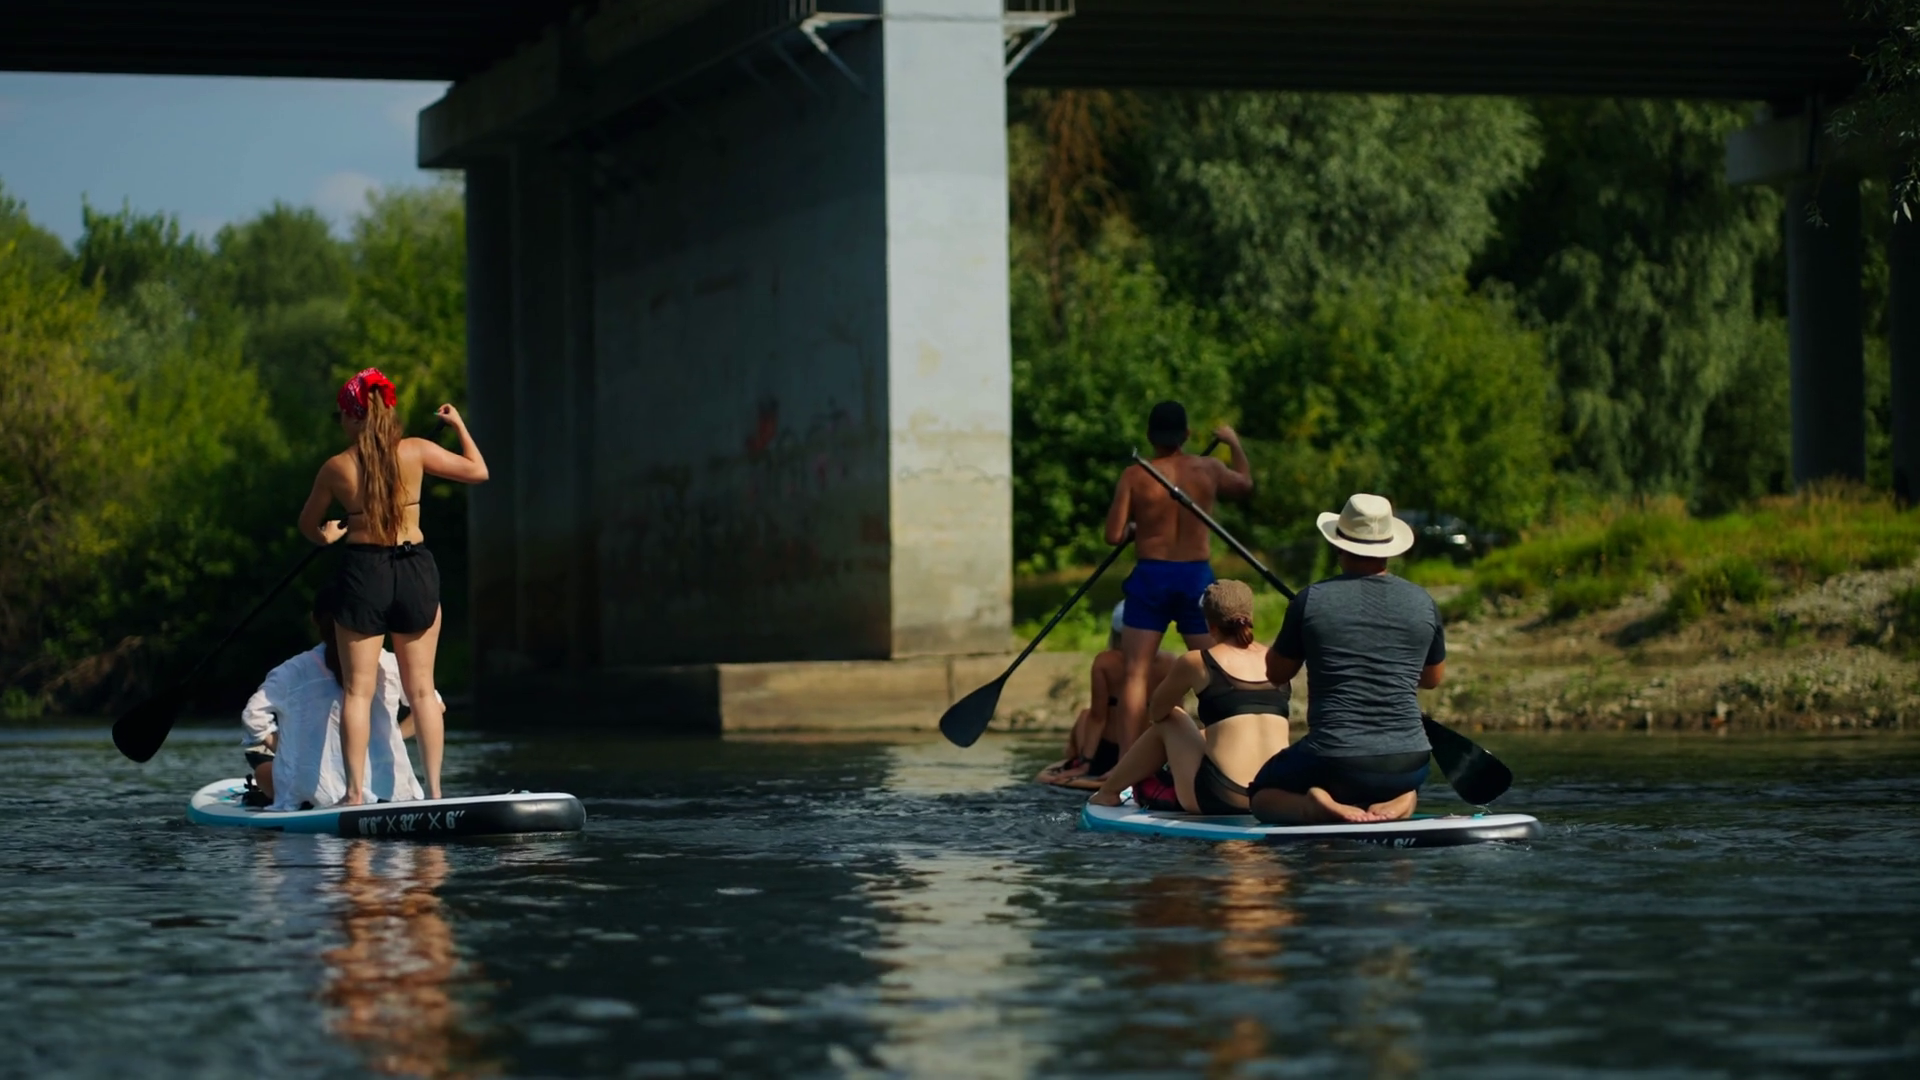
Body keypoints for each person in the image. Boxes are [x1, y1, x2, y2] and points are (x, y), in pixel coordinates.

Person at [298, 368, 488, 805]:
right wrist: (458, 425)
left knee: (357, 691)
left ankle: (353, 794)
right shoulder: (417, 450)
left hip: (366, 572)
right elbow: (478, 471)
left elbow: (309, 525)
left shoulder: (336, 467)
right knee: (422, 690)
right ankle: (435, 793)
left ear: (352, 417)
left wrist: (326, 536)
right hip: (415, 568)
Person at [1247, 494, 1444, 825]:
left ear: (1339, 546)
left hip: (1335, 760)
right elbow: (1431, 678)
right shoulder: (1424, 602)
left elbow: (1276, 672)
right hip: (1410, 761)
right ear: (1389, 548)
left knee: (1261, 796)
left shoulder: (1310, 599)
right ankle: (1403, 797)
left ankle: (1315, 806)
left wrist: (1301, 633)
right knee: (1394, 781)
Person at [1103, 401, 1253, 751]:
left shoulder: (1135, 475)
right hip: (1195, 578)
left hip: (1152, 575)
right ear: (1186, 434)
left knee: (1135, 673)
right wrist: (1233, 442)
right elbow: (1245, 484)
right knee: (1217, 669)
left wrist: (1136, 529)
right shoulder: (1209, 468)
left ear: (1149, 436)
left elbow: (1113, 535)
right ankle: (1231, 751)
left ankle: (1126, 764)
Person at [1088, 581, 1291, 814]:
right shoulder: (1276, 658)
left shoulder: (1196, 661)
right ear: (1250, 616)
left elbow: (1157, 712)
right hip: (1276, 793)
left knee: (1172, 717)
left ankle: (1108, 793)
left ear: (1209, 624)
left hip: (1226, 796)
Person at [240, 594, 426, 812]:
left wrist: (285, 752)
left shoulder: (291, 671)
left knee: (263, 770)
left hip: (317, 795)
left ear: (314, 620)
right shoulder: (390, 663)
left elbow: (252, 717)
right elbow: (432, 706)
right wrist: (392, 736)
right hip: (393, 793)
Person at [1036, 601, 1176, 787]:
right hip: (1148, 751)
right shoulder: (1169, 662)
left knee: (1085, 715)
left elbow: (1097, 716)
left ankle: (1075, 760)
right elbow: (1175, 714)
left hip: (1109, 753)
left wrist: (1086, 763)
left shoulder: (1106, 662)